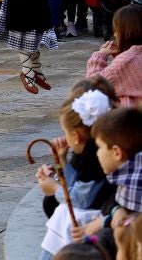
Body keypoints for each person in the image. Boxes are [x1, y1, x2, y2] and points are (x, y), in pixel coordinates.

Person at [36, 83, 117, 260]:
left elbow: (80, 200)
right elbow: (78, 186)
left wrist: (55, 189)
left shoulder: (94, 157)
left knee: (63, 215)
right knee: (62, 213)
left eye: (65, 131)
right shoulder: (87, 152)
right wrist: (62, 161)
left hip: (98, 216)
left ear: (76, 136)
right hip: (100, 212)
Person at [84, 108, 142, 236]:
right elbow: (111, 202)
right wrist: (116, 210)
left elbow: (134, 230)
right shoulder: (127, 174)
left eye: (99, 147)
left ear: (117, 152)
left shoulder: (136, 183)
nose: (97, 153)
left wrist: (106, 222)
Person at [86, 5, 142, 105]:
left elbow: (93, 85)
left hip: (131, 117)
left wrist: (99, 56)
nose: (115, 35)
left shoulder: (127, 60)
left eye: (116, 29)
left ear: (126, 31)